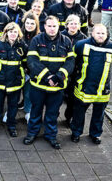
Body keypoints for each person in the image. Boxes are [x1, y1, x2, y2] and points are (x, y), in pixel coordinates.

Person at [24, 16, 75, 149]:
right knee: (35, 111)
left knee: (52, 113)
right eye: (49, 26)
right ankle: (32, 133)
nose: (52, 29)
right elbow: (32, 61)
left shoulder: (66, 41)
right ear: (44, 27)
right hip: (39, 85)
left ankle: (50, 135)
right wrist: (47, 77)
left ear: (59, 26)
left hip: (57, 87)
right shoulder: (36, 40)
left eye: (54, 26)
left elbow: (70, 62)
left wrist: (59, 77)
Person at [70, 24, 112, 145]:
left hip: (103, 89)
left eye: (103, 33)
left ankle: (95, 134)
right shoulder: (81, 45)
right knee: (78, 112)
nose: (100, 35)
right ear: (92, 33)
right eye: (98, 33)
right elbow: (74, 61)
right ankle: (76, 133)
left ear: (107, 34)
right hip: (84, 87)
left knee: (99, 114)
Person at [0, 23, 27, 137]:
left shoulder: (23, 47)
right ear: (6, 33)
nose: (13, 34)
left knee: (13, 107)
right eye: (10, 32)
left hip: (15, 83)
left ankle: (12, 126)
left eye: (15, 32)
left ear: (18, 33)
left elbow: (26, 63)